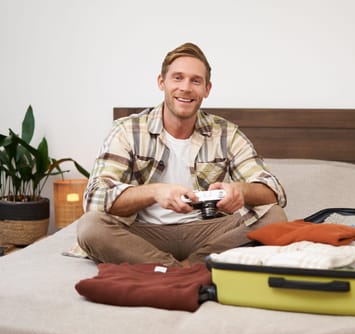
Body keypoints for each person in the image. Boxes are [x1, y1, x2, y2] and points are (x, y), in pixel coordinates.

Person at [77, 42, 287, 267]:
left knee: (274, 218)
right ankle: (191, 270)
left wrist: (239, 191)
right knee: (90, 227)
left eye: (195, 80)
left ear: (207, 89)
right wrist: (155, 192)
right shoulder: (127, 130)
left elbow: (274, 192)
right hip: (143, 235)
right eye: (177, 78)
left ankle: (177, 269)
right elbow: (95, 198)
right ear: (162, 82)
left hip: (208, 233)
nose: (186, 88)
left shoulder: (226, 133)